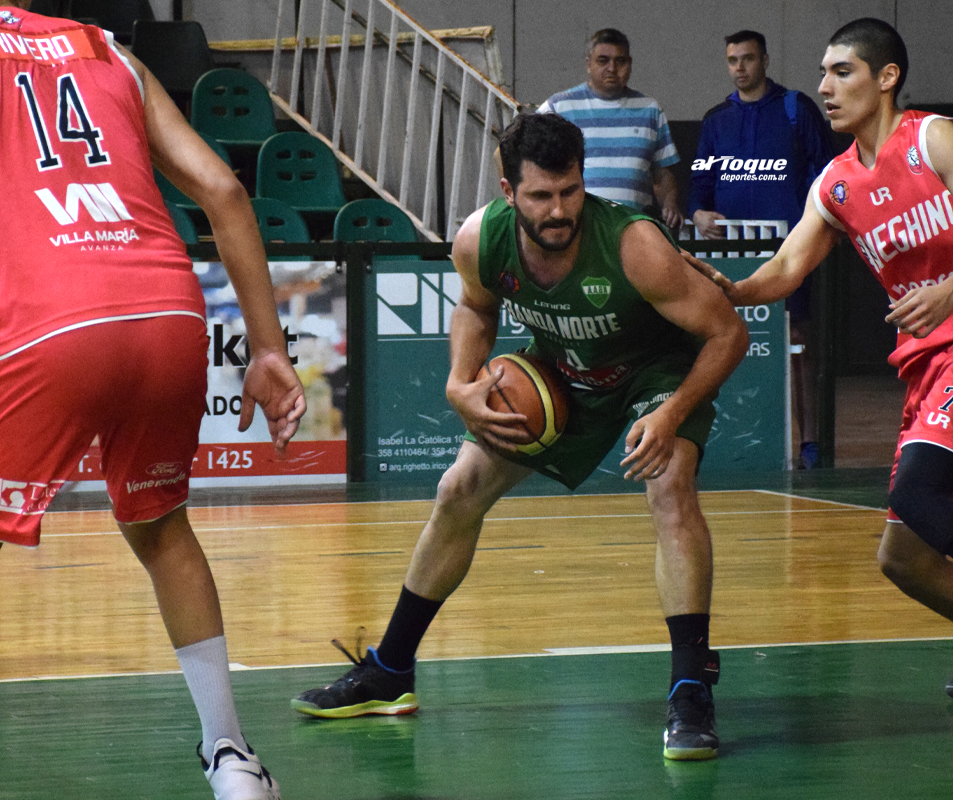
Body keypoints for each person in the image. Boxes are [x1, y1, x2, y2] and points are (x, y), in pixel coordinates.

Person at [686, 18, 953, 736]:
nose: (825, 87)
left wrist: (950, 292)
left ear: (886, 77)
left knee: (916, 492)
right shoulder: (834, 184)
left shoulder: (934, 138)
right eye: (823, 74)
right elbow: (788, 268)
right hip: (931, 366)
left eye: (843, 72)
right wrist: (730, 290)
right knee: (906, 555)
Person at [291, 112, 747, 762]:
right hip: (563, 371)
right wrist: (458, 381)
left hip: (658, 371)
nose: (557, 209)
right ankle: (388, 671)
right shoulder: (482, 239)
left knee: (670, 486)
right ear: (508, 189)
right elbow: (476, 308)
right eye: (539, 196)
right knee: (458, 489)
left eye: (569, 191)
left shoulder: (634, 245)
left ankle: (689, 689)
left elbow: (729, 333)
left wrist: (672, 413)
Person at [0, 4, 306, 799]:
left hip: (55, 316)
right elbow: (224, 195)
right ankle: (232, 756)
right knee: (162, 529)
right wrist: (269, 350)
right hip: (168, 310)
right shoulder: (109, 49)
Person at [688, 29, 834, 469]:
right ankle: (729, 440)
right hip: (733, 254)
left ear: (765, 60)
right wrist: (698, 214)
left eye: (748, 58)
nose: (740, 67)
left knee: (798, 339)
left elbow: (827, 171)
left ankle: (808, 441)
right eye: (733, 59)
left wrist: (811, 226)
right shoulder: (716, 119)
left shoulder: (796, 109)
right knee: (728, 337)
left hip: (790, 250)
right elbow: (699, 186)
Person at [537, 29, 684, 229]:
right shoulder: (559, 107)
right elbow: (513, 151)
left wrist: (670, 205)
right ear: (588, 63)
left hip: (634, 228)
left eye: (620, 61)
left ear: (630, 64)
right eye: (603, 60)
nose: (612, 68)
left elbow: (663, 174)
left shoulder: (650, 110)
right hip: (579, 229)